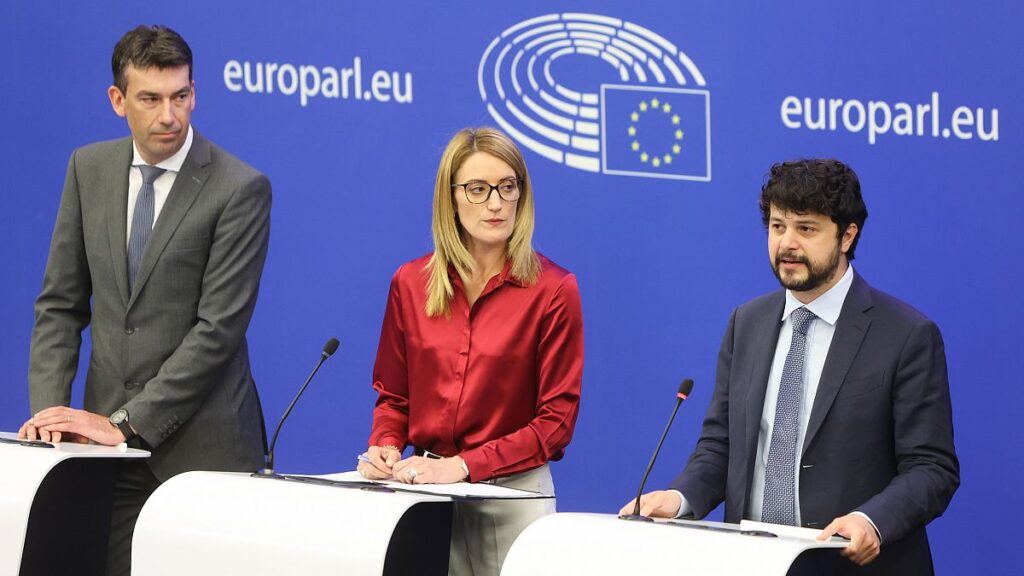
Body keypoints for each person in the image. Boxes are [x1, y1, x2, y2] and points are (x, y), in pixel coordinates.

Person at [621, 159, 958, 574]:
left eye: (806, 228)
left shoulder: (906, 334)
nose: (787, 243)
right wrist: (679, 498)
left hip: (850, 564)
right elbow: (721, 447)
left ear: (847, 236)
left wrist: (871, 521)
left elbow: (932, 468)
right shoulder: (746, 322)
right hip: (754, 564)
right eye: (778, 226)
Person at [18, 25, 271, 576]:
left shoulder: (240, 188)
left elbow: (217, 331)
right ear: (118, 100)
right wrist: (51, 421)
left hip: (203, 456)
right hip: (101, 455)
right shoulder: (87, 169)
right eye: (151, 99)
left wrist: (127, 421)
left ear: (194, 93)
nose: (169, 116)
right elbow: (60, 305)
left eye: (180, 96)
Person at [357, 127, 584, 575]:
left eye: (507, 187)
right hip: (423, 496)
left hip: (512, 497)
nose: (495, 204)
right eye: (478, 189)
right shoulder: (411, 282)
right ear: (451, 198)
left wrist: (464, 465)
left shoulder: (554, 290)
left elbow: (555, 423)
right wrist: (385, 444)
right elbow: (395, 398)